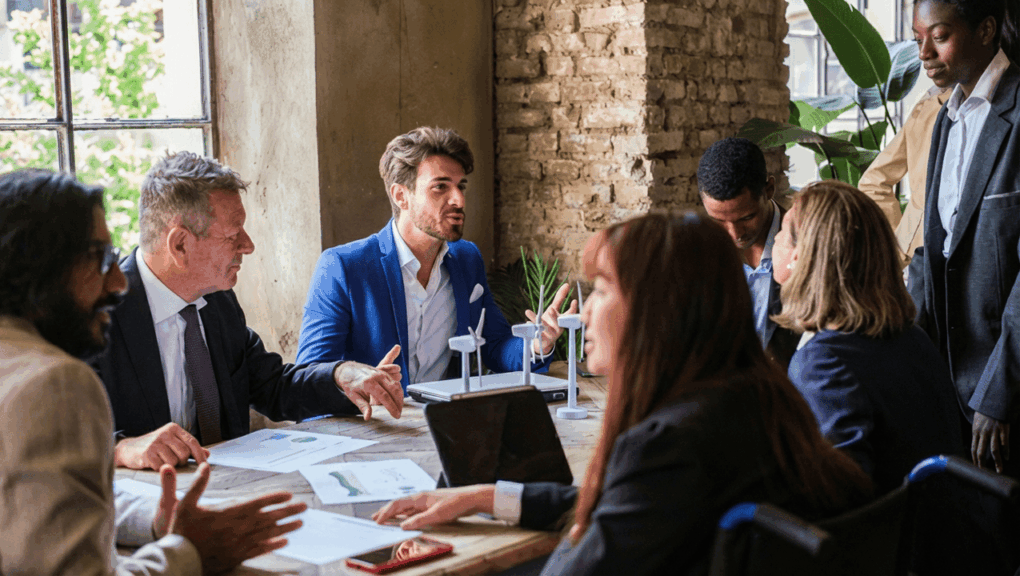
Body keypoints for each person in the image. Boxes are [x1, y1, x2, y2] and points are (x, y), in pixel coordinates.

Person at [373, 212, 873, 576]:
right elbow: (630, 504)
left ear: (659, 308)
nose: (585, 312)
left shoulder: (669, 444)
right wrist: (486, 496)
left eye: (604, 289)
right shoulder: (756, 398)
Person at [0, 169, 306, 575]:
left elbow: (56, 497)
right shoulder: (54, 383)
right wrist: (190, 552)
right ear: (47, 271)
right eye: (101, 259)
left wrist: (158, 521)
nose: (117, 282)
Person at [92, 151, 404, 472]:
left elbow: (272, 386)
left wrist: (341, 376)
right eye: (233, 234)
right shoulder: (94, 313)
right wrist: (119, 448)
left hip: (230, 490)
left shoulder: (218, 301)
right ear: (181, 244)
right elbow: (49, 434)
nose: (248, 245)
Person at [297, 126, 574, 389]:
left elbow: (495, 346)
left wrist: (537, 344)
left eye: (461, 186)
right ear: (401, 196)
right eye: (440, 187)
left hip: (445, 423)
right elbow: (311, 378)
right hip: (373, 427)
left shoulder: (467, 259)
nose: (459, 200)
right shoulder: (343, 267)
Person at [772, 180, 964, 493]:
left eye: (781, 231)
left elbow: (840, 496)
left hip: (897, 537)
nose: (776, 238)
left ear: (799, 256)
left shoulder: (823, 364)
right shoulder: (912, 337)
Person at [910, 0, 1020, 475]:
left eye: (939, 35)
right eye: (917, 40)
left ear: (986, 30)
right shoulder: (945, 122)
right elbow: (934, 249)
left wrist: (999, 393)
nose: (925, 54)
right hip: (945, 379)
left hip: (1003, 387)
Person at [697, 137, 799, 369]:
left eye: (746, 218)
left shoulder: (804, 244)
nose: (734, 233)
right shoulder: (701, 251)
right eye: (719, 220)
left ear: (769, 190)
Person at [857, 85, 949, 266]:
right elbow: (874, 182)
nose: (924, 55)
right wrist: (900, 245)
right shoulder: (930, 105)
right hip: (921, 257)